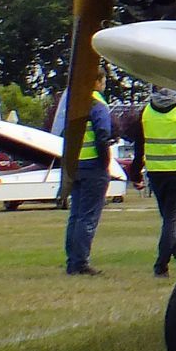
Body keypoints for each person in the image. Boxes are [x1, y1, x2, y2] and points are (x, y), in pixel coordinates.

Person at [129, 88, 176, 276]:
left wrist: (136, 173)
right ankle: (161, 264)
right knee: (172, 219)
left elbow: (139, 146)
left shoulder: (145, 112)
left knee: (169, 218)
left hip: (156, 173)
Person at [55, 91, 113, 276]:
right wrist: (105, 163)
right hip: (94, 167)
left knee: (76, 216)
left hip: (76, 166)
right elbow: (103, 134)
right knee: (88, 218)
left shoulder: (74, 105)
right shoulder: (98, 106)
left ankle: (72, 260)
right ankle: (80, 262)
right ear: (98, 81)